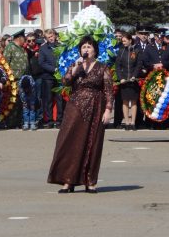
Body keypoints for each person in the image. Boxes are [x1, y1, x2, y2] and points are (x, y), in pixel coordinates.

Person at [48, 36, 113, 194]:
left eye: (89, 47)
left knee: (93, 143)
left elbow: (108, 90)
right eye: (83, 47)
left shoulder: (102, 67)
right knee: (69, 142)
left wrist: (108, 110)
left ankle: (89, 181)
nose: (86, 50)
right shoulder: (75, 65)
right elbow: (65, 82)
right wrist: (75, 68)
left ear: (95, 50)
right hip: (75, 107)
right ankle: (67, 181)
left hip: (96, 107)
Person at [115, 32, 143, 130]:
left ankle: (132, 123)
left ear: (130, 40)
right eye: (122, 41)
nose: (123, 43)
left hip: (133, 80)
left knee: (134, 102)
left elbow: (139, 65)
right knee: (125, 102)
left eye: (125, 41)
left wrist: (134, 76)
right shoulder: (121, 50)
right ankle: (127, 122)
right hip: (124, 81)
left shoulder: (137, 50)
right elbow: (118, 66)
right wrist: (120, 78)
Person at [4, 29, 29, 128]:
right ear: (19, 38)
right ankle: (11, 123)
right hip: (14, 80)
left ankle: (19, 121)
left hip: (23, 79)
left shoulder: (22, 48)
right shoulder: (10, 48)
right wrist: (8, 79)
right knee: (13, 102)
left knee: (21, 102)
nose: (25, 40)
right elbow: (5, 64)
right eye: (24, 38)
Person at [38, 29, 63, 128]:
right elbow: (41, 62)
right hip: (48, 77)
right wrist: (53, 69)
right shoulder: (43, 48)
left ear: (55, 36)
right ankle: (49, 120)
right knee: (48, 99)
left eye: (52, 36)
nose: (51, 38)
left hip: (59, 77)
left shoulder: (60, 46)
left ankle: (59, 120)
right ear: (46, 38)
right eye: (49, 37)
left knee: (59, 99)